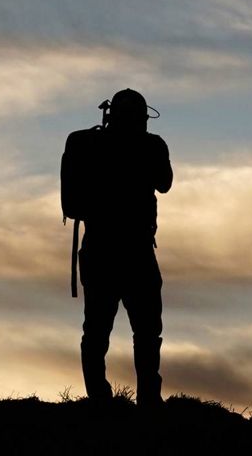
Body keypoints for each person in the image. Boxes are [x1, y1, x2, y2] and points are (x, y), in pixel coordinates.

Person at [62, 88, 172, 407]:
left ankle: (117, 398)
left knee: (112, 329)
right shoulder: (146, 145)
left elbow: (163, 183)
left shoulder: (88, 144)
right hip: (122, 248)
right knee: (124, 330)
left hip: (114, 248)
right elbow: (164, 183)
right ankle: (132, 399)